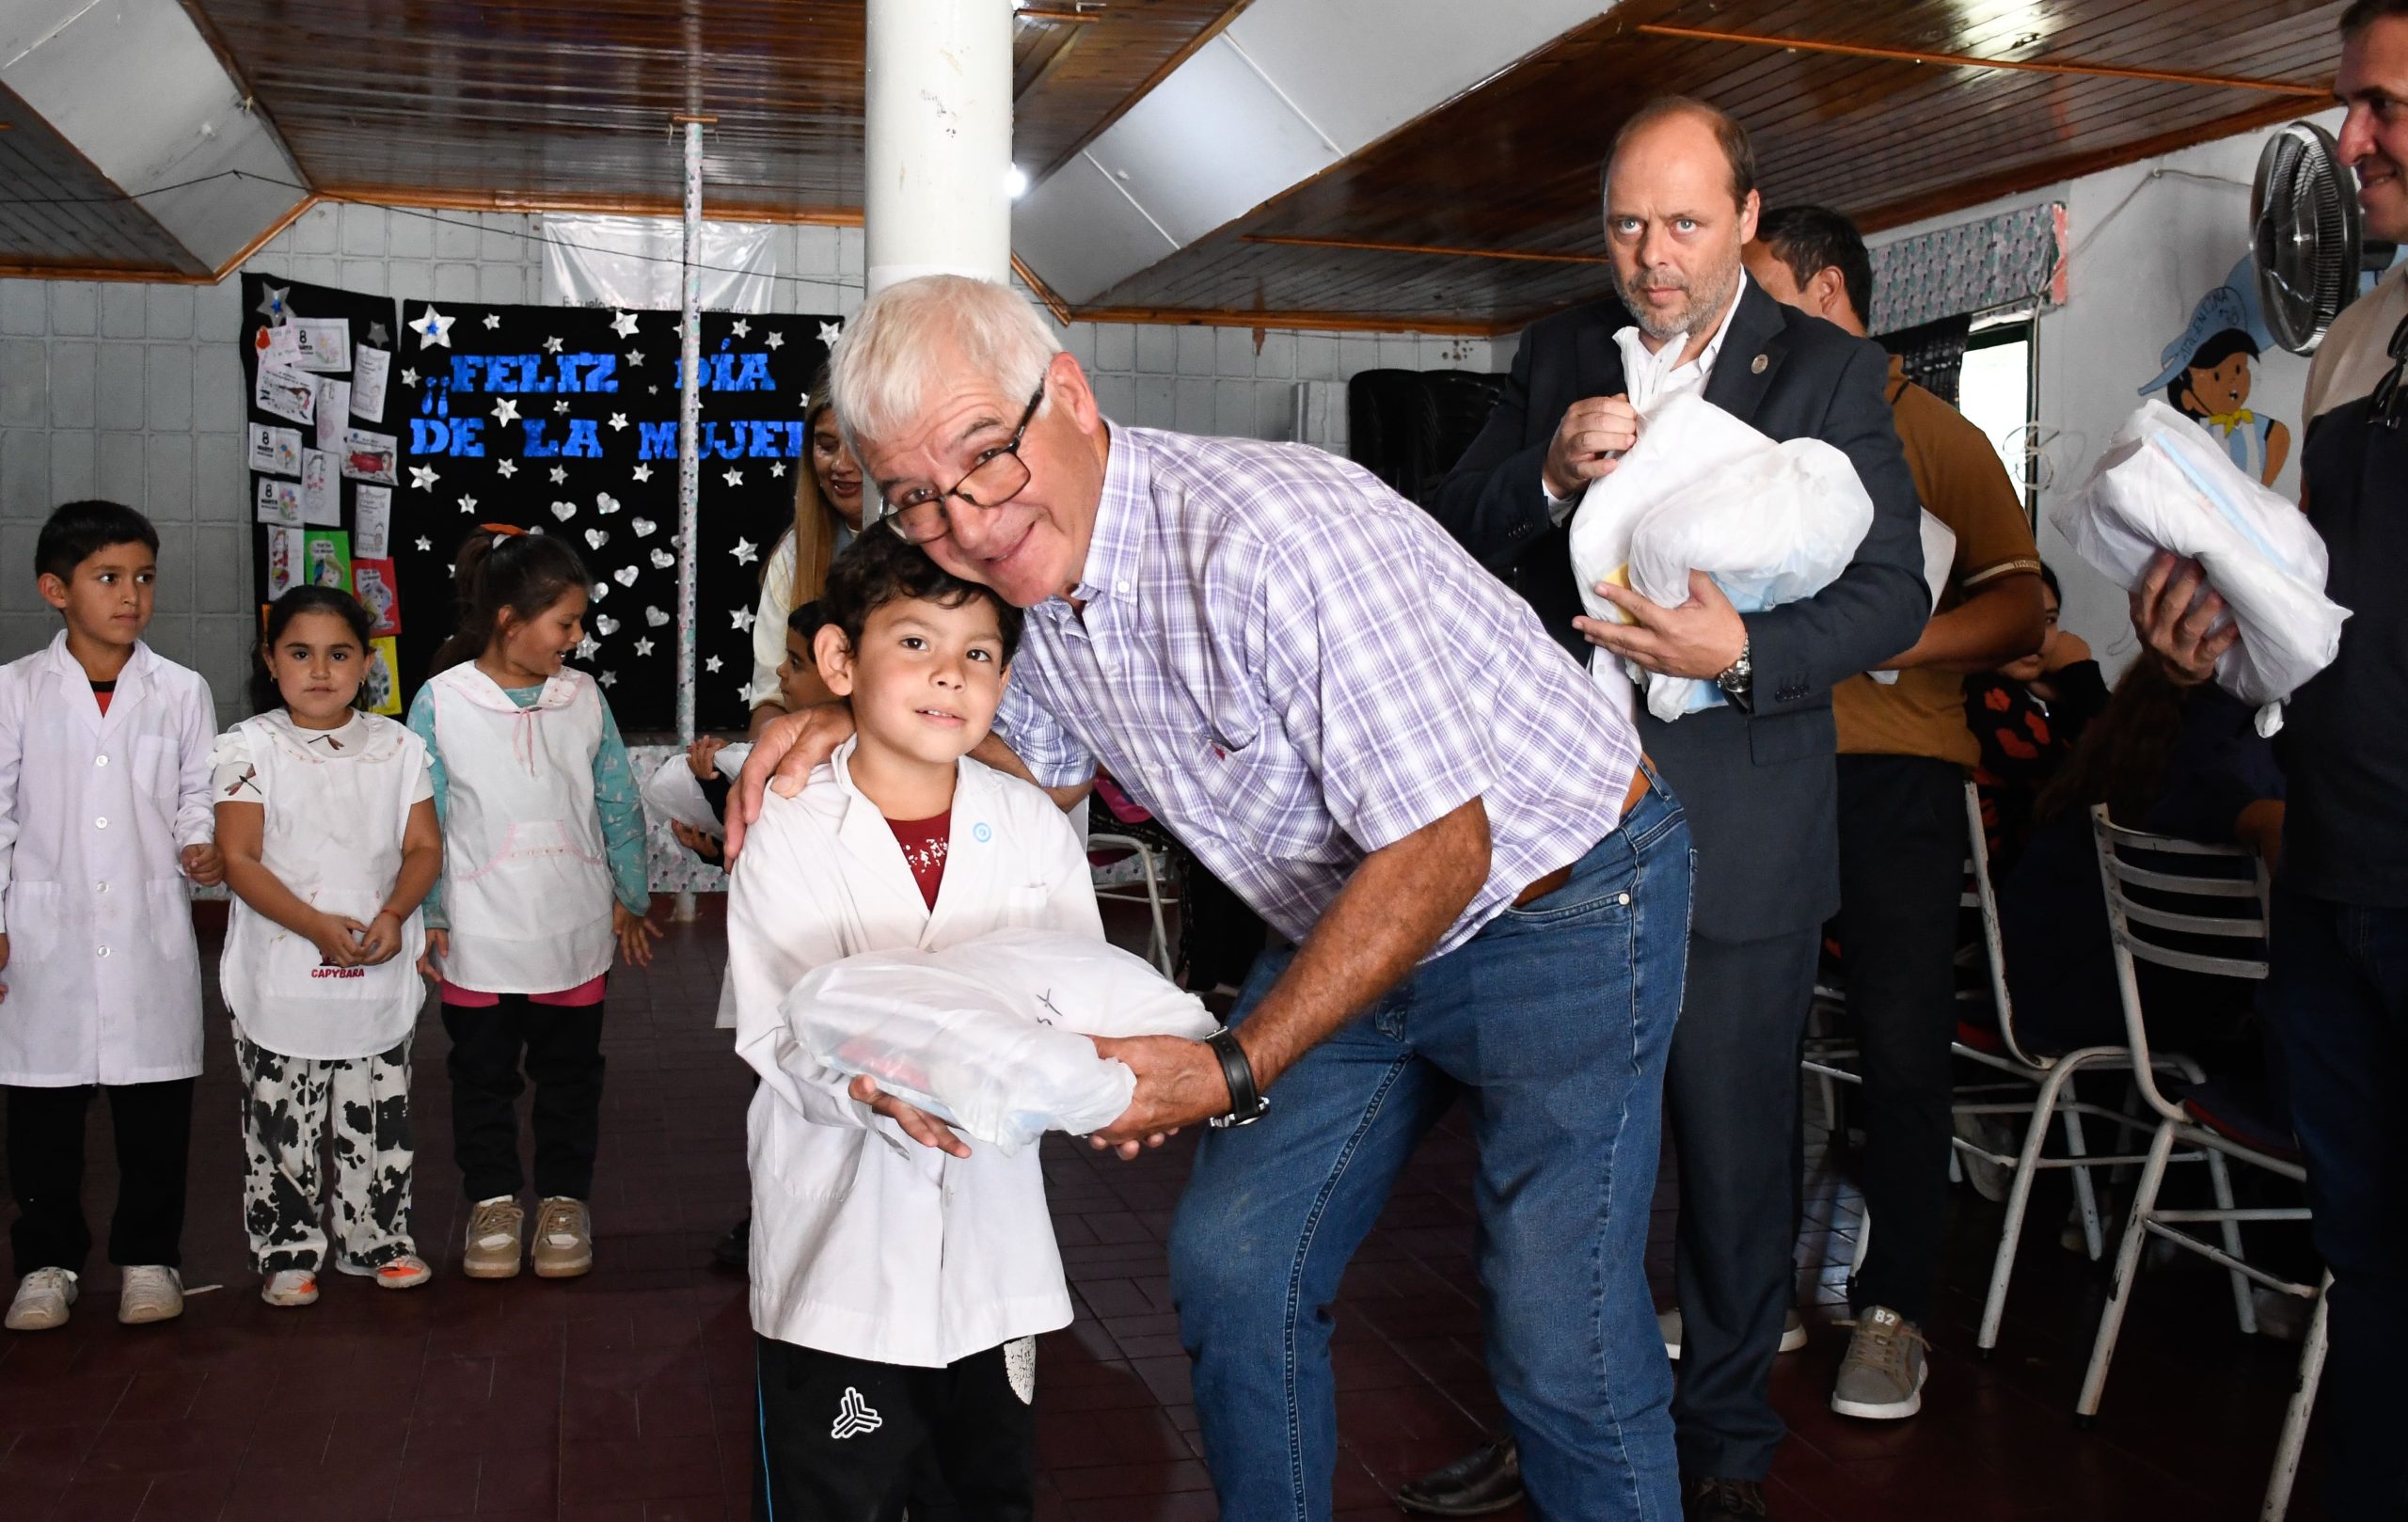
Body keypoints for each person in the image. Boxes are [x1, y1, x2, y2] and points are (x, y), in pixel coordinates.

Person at [731, 271, 1693, 1522]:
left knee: (1559, 1328)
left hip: (1561, 893)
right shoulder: (1035, 587)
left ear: (1068, 394)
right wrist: (845, 728)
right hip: (1357, 908)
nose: (965, 522)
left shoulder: (1270, 538)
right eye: (915, 496)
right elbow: (1033, 769)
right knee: (1237, 1265)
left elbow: (1442, 846)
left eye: (982, 457)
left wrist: (1231, 1066)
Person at [1411, 101, 1928, 1521]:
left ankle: (1723, 1452)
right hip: (1557, 828)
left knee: (1732, 1155)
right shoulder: (1558, 352)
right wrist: (1544, 473)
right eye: (1628, 223)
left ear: (1748, 219)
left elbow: (1893, 593)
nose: (1653, 256)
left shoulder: (1825, 369)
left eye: (1686, 224)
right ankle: (1553, 1431)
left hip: (1739, 833)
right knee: (1552, 1159)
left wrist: (1742, 651)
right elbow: (1452, 527)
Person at [2131, 5, 2408, 1513]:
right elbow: (2320, 618)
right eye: (2349, 106)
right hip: (2333, 875)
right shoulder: (2356, 341)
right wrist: (2214, 638)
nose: (2347, 142)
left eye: (2383, 107)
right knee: (2365, 1262)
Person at [1740, 204, 2047, 1419]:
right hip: (1764, 766)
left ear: (1826, 293)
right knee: (1745, 1041)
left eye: (1761, 294)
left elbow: (2022, 608)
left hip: (1896, 776)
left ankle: (1893, 1310)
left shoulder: (1936, 436)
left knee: (1902, 1040)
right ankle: (1748, 1296)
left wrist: (1895, 632)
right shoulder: (1750, 436)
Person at [727, 530, 1088, 1520]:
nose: (949, 674)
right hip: (840, 1244)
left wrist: (1098, 1074)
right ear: (840, 660)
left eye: (979, 653)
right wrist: (870, 1088)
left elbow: (1074, 991)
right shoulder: (791, 826)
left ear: (1005, 679)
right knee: (836, 1496)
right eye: (916, 642)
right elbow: (776, 1027)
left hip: (994, 1243)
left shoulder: (1030, 827)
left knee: (985, 1493)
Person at [407, 528, 658, 1283]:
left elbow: (617, 800)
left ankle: (562, 1204)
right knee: (481, 1079)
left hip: (573, 928)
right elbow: (423, 818)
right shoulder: (442, 702)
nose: (577, 637)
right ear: (509, 621)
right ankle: (493, 1203)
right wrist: (431, 912)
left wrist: (630, 893)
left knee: (570, 1077)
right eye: (566, 622)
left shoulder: (582, 698)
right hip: (478, 933)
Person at [0, 499, 224, 1332]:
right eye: (107, 577)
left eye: (143, 577)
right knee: (42, 1110)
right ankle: (47, 1263)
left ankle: (149, 1257)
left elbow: (197, 790)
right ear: (55, 590)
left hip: (144, 926)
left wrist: (199, 842)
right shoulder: (15, 691)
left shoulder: (181, 690)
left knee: (154, 1107)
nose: (131, 595)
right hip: (44, 933)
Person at [212, 586, 442, 1307]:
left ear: (367, 663)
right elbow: (239, 858)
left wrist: (396, 913)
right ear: (270, 660)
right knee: (281, 1114)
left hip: (375, 960)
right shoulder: (247, 747)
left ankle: (378, 1239)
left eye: (339, 654)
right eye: (300, 653)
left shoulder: (399, 748)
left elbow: (423, 847)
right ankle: (287, 1247)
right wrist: (314, 926)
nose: (320, 670)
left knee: (378, 1110)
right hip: (282, 966)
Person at [1963, 565, 2108, 873]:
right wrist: (2081, 677)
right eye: (2017, 620)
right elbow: (2111, 778)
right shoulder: (1984, 698)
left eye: (2049, 620)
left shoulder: (1990, 693)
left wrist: (2062, 701)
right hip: (2011, 893)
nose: (2035, 638)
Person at [746, 371, 865, 735]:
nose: (841, 465)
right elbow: (770, 700)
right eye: (827, 446)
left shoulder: (935, 542)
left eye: (858, 447)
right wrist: (775, 750)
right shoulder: (793, 555)